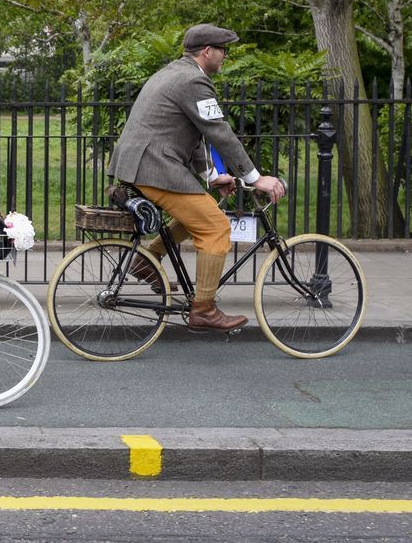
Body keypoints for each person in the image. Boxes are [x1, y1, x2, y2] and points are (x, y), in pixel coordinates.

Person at [106, 23, 285, 332]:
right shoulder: (193, 81)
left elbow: (188, 134)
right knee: (216, 227)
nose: (225, 56)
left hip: (141, 163)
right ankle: (204, 309)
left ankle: (146, 260)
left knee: (198, 216)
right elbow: (219, 132)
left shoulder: (173, 72)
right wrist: (256, 179)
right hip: (154, 167)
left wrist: (212, 175)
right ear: (207, 52)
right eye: (223, 51)